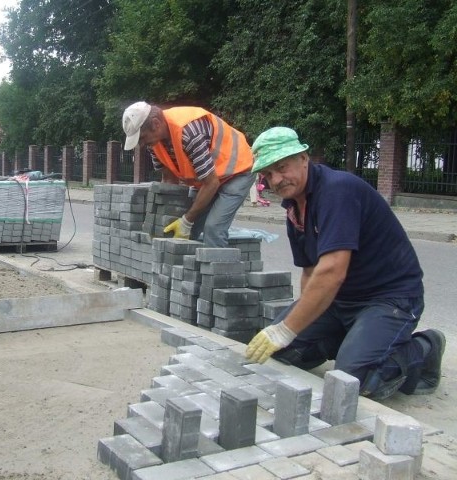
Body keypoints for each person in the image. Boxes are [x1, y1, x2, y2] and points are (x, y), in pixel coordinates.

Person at [245, 126, 446, 400]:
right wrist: (299, 324)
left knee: (354, 380)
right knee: (280, 352)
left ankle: (424, 348)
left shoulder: (337, 191)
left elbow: (332, 271)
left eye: (282, 167)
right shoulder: (294, 207)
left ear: (304, 158)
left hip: (389, 300)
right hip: (340, 302)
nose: (277, 179)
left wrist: (285, 329)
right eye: (268, 174)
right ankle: (353, 341)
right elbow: (310, 271)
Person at [122, 101, 255, 247]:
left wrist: (187, 220)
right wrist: (158, 220)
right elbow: (168, 180)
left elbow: (211, 183)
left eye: (142, 138)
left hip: (237, 172)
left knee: (213, 229)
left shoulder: (189, 132)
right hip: (207, 180)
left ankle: (217, 267)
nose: (141, 144)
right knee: (187, 229)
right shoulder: (154, 143)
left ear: (155, 124)